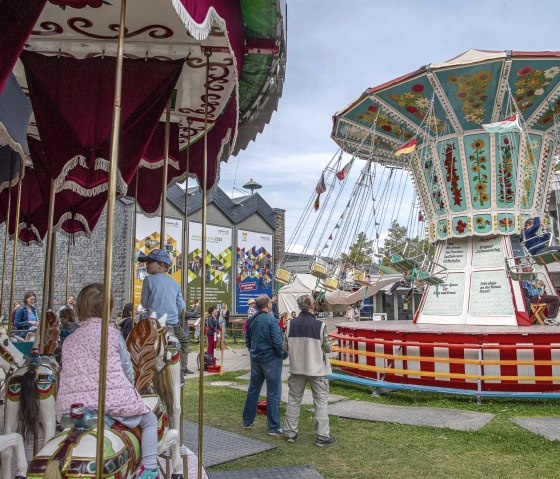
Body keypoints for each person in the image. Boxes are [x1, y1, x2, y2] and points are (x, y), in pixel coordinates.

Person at [56, 283, 159, 478]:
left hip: (72, 409)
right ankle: (151, 467)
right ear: (109, 309)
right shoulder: (112, 334)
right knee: (150, 420)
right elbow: (127, 366)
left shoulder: (69, 339)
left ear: (78, 310)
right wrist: (130, 386)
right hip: (110, 402)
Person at [284, 294, 336, 447]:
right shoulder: (320, 325)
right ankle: (322, 436)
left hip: (296, 368)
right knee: (320, 402)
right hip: (316, 369)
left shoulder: (289, 325)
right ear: (312, 306)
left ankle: (290, 433)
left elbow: (285, 347)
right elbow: (327, 348)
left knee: (293, 401)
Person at [139, 249, 188, 378]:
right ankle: (181, 373)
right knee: (184, 342)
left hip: (153, 323)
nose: (146, 265)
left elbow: (144, 303)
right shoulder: (175, 283)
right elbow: (182, 305)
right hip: (172, 324)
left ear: (161, 265)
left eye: (149, 262)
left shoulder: (148, 280)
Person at [242, 294, 286, 435]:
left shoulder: (252, 319)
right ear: (267, 305)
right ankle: (273, 427)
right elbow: (278, 342)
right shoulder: (270, 319)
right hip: (271, 360)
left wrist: (253, 352)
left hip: (256, 359)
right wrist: (283, 354)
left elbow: (247, 340)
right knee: (273, 392)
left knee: (253, 388)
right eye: (270, 303)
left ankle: (247, 421)